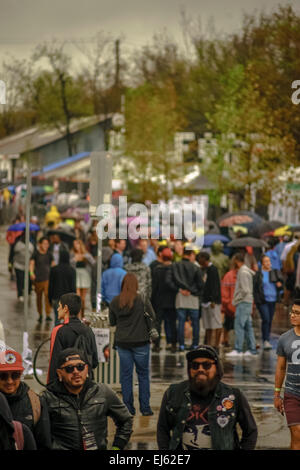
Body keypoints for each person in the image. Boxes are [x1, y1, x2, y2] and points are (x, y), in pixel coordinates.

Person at [157, 345, 257, 450]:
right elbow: (162, 430)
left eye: (206, 365)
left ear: (217, 368)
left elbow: (250, 431)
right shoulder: (173, 393)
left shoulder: (233, 395)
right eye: (195, 365)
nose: (200, 369)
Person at [42, 348, 133, 450]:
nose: (76, 372)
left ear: (86, 369)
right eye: (69, 368)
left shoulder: (102, 392)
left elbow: (126, 421)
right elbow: (40, 434)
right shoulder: (48, 397)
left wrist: (117, 447)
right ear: (60, 373)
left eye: (80, 367)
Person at [109, 273, 155, 416]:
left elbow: (112, 322)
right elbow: (152, 316)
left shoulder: (115, 301)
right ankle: (145, 408)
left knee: (126, 376)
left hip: (123, 343)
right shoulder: (142, 299)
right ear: (136, 285)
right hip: (141, 342)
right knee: (143, 375)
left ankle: (128, 408)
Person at [0, 349, 51, 449]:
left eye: (15, 375)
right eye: (3, 376)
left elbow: (44, 443)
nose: (9, 381)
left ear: (21, 375)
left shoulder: (35, 402)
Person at [47, 293, 99, 384]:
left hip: (66, 385)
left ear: (66, 308)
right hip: (85, 383)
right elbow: (94, 361)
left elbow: (54, 362)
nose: (58, 309)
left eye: (59, 306)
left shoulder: (59, 330)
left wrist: (50, 386)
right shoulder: (88, 330)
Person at [166, 247, 204, 352]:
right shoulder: (195, 267)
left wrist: (180, 289)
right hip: (193, 298)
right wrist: (191, 291)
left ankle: (181, 345)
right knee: (195, 323)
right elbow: (201, 284)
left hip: (180, 298)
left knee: (181, 322)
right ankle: (195, 344)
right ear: (191, 254)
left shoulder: (175, 265)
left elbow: (168, 281)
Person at [274, 299, 300, 450]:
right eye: (292, 312)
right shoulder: (284, 338)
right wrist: (277, 394)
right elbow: (281, 368)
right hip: (292, 395)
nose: (292, 315)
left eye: (297, 313)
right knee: (297, 434)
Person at [226, 253, 257, 358]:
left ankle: (238, 349)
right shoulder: (246, 271)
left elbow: (245, 290)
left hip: (243, 302)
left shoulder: (242, 272)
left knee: (239, 325)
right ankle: (252, 349)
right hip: (248, 301)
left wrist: (236, 300)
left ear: (236, 261)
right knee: (248, 326)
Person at [253, 255, 283, 350]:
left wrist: (279, 285)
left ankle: (267, 339)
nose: (268, 263)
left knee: (269, 320)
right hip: (263, 300)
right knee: (265, 319)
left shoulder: (274, 272)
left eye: (269, 261)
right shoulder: (259, 274)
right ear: (262, 263)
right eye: (266, 261)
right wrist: (256, 300)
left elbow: (281, 285)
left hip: (272, 299)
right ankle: (265, 340)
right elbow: (256, 288)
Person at [151, 247, 177, 353]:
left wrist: (152, 300)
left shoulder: (157, 270)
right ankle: (173, 343)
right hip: (172, 301)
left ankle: (156, 344)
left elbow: (154, 286)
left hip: (159, 300)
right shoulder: (174, 269)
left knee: (158, 323)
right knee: (172, 323)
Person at [197, 251, 222, 350]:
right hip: (205, 300)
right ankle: (207, 343)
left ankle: (216, 344)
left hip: (212, 301)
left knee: (216, 322)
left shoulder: (213, 269)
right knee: (207, 324)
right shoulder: (204, 270)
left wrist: (213, 300)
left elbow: (215, 286)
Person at [48, 251, 77, 326]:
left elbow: (51, 285)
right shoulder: (72, 270)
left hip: (56, 297)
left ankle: (57, 335)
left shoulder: (54, 269)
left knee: (57, 318)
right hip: (68, 299)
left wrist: (49, 298)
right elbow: (73, 286)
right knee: (67, 319)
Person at [30, 236, 54, 323]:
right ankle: (40, 314)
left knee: (48, 297)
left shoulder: (49, 254)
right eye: (44, 243)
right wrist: (31, 273)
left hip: (48, 279)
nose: (46, 245)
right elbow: (31, 264)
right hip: (38, 279)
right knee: (39, 297)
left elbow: (53, 264)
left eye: (47, 244)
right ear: (39, 244)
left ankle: (48, 314)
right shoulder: (35, 254)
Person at [70, 239, 95, 316]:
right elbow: (69, 264)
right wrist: (74, 260)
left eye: (77, 244)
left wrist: (86, 258)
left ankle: (83, 314)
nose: (76, 246)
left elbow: (93, 263)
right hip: (76, 275)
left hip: (85, 276)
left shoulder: (86, 254)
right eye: (74, 244)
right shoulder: (72, 254)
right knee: (77, 297)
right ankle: (78, 315)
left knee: (83, 299)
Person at [13, 231, 34, 301]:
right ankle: (20, 294)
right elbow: (13, 253)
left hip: (28, 267)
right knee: (20, 280)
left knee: (28, 280)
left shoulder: (31, 245)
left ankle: (28, 291)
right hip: (18, 265)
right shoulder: (18, 244)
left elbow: (33, 255)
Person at [221, 264, 237, 347]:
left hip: (234, 305)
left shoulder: (241, 275)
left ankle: (226, 340)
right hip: (230, 306)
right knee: (228, 324)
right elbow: (225, 292)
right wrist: (226, 303)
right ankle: (225, 339)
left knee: (229, 324)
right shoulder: (229, 276)